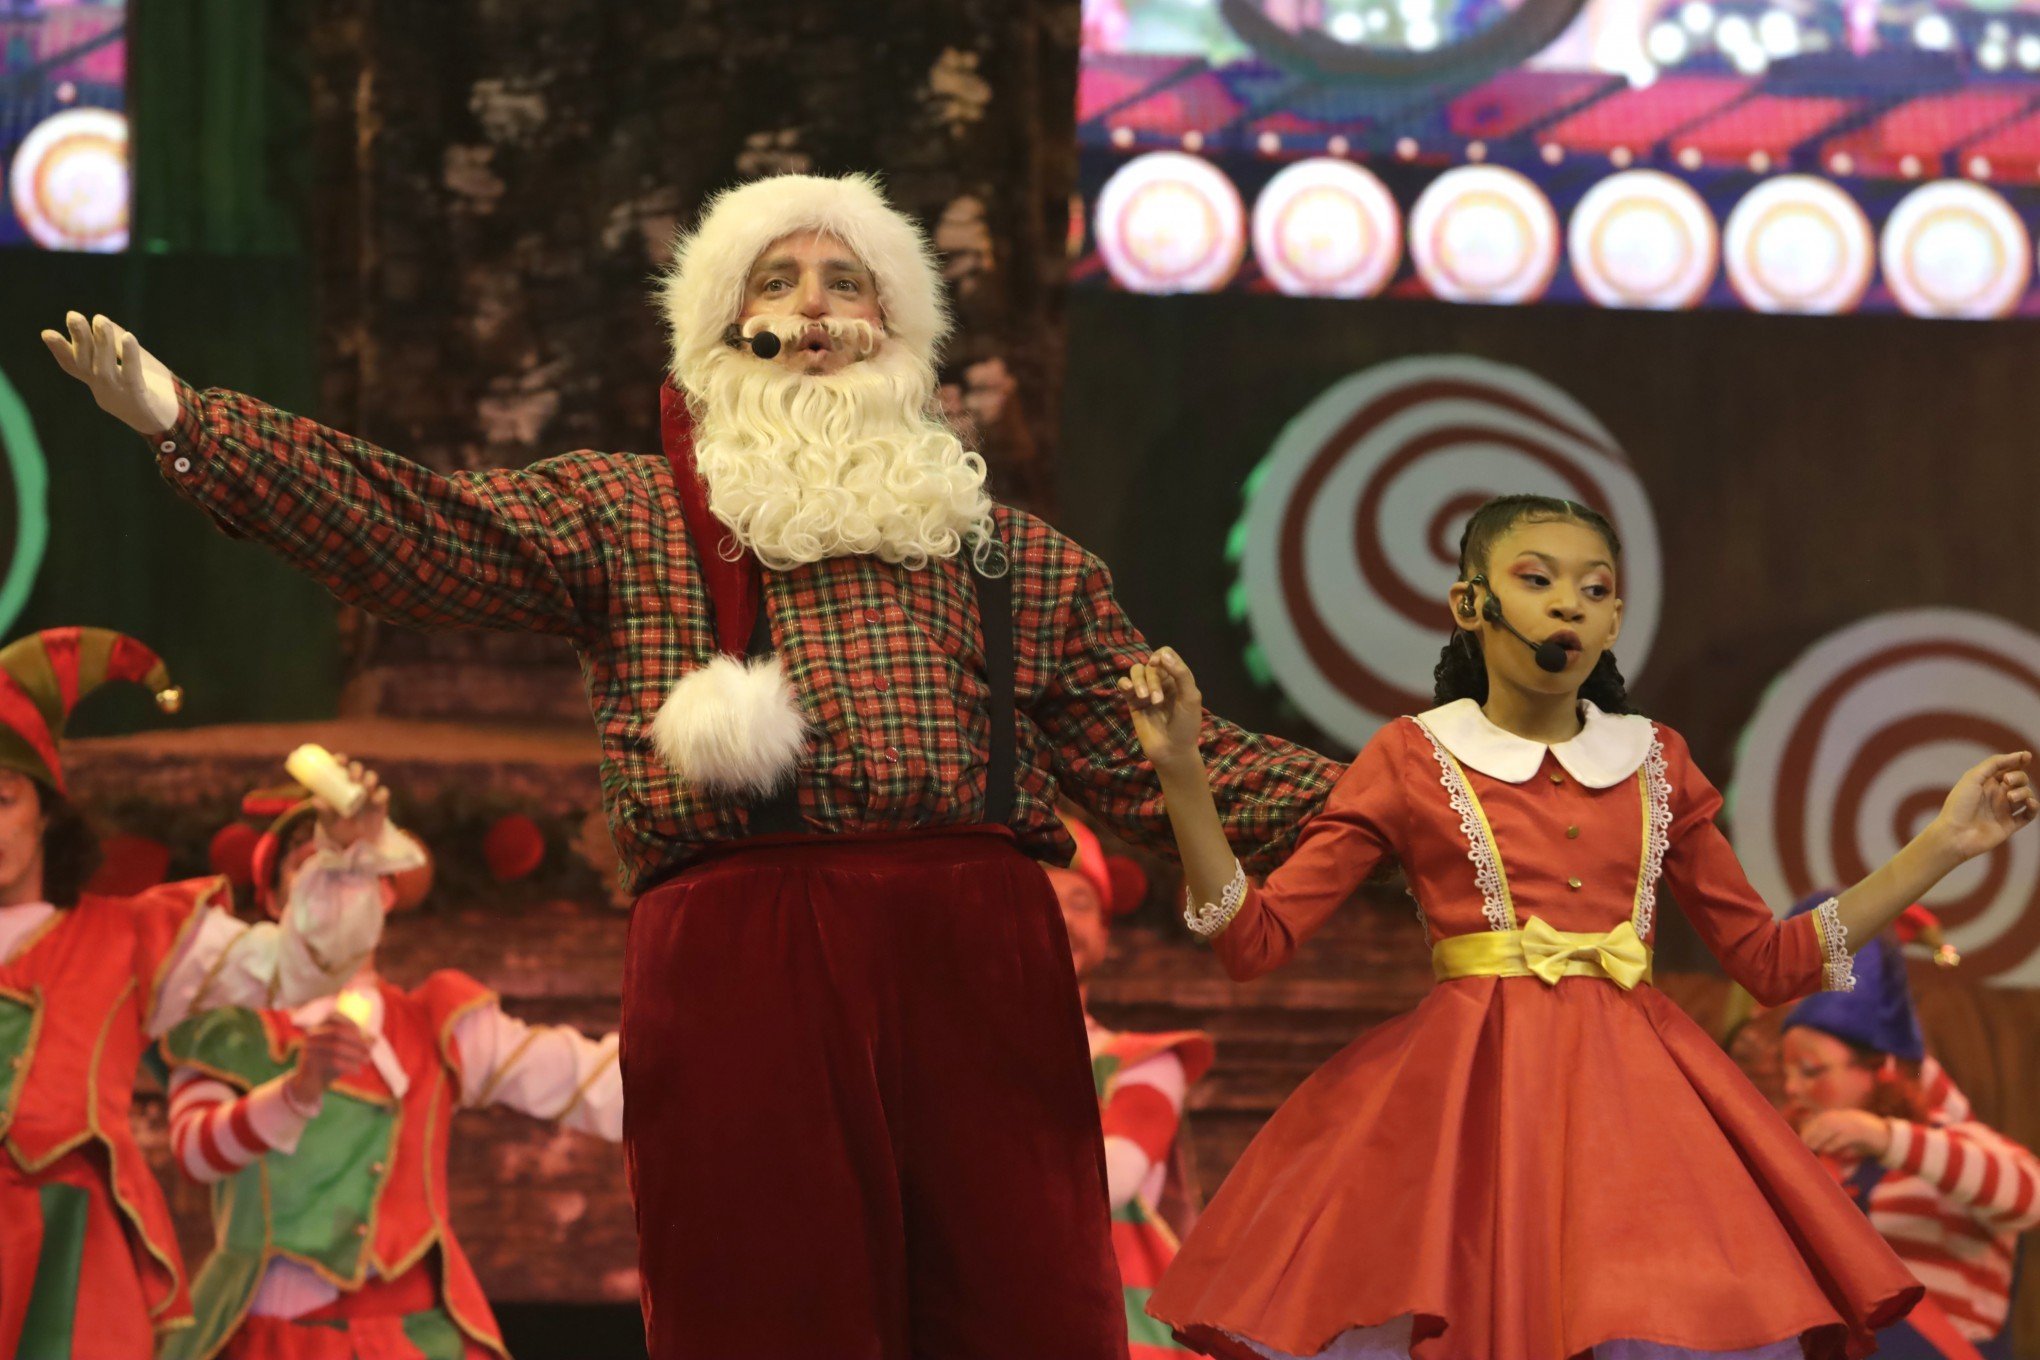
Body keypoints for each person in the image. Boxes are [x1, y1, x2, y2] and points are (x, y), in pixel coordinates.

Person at [43, 171, 1338, 1359]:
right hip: (745, 952)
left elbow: (1175, 761)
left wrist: (1443, 791)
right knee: (765, 1307)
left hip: (979, 959)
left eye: (849, 283)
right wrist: (191, 425)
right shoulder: (632, 513)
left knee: (1016, 1311)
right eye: (778, 282)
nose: (817, 309)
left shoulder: (1013, 556)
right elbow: (417, 534)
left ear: (902, 331)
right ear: (725, 328)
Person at [1119, 493, 2038, 1360]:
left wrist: (1946, 842)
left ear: (1613, 620)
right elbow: (1255, 941)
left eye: (1594, 588)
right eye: (1537, 579)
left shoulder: (1656, 760)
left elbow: (1771, 960)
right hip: (1474, 1110)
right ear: (1470, 603)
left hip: (1638, 1119)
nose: (1568, 604)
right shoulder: (1413, 756)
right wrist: (1182, 775)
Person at [0, 629, 394, 1360]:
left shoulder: (133, 938)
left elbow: (301, 967)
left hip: (71, 1259)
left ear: (46, 810)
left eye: (0, 798)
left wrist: (345, 858)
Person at [156, 774, 621, 1360]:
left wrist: (719, 1078)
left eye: (356, 868)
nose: (337, 884)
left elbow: (586, 1080)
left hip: (412, 1337)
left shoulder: (435, 1024)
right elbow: (194, 1151)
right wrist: (297, 1091)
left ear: (386, 893)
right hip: (274, 1338)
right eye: (310, 865)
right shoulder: (229, 1029)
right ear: (274, 903)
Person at [1782, 905, 2040, 1359]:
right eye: (1785, 1071)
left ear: (1881, 1068)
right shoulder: (1801, 1159)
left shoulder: (1953, 1146)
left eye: (1810, 1070)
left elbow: (2028, 1194)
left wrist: (1885, 1139)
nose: (1791, 1088)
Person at [1053, 818, 1216, 1360]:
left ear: (1104, 930)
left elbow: (1109, 1180)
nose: (1059, 921)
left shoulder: (1144, 1063)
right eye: (1036, 901)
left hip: (1121, 1335)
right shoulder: (956, 1061)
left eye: (1078, 904)